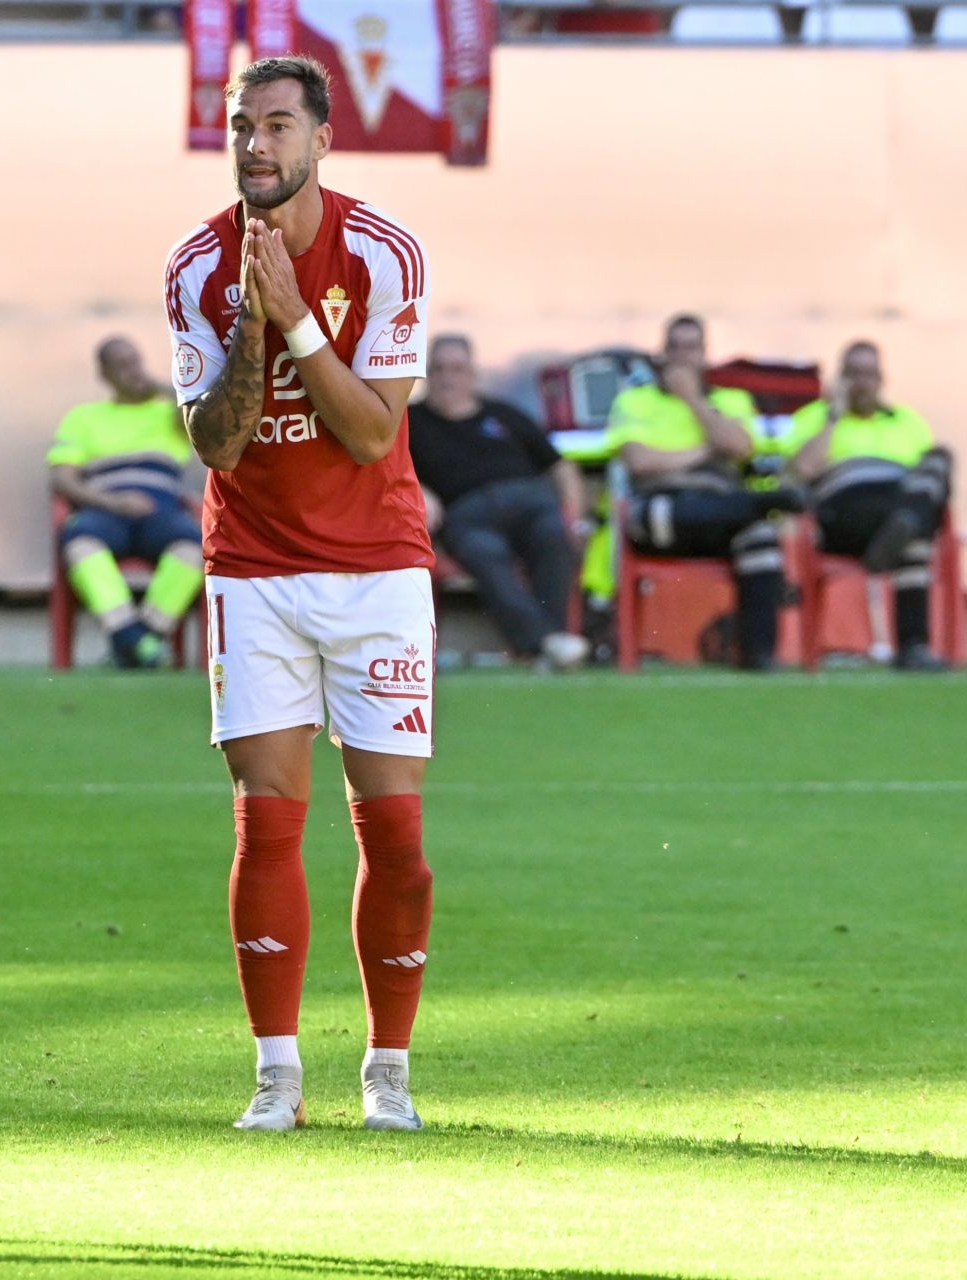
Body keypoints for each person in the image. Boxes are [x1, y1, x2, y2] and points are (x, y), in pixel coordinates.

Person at [166, 55, 437, 1134]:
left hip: (377, 568)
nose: (257, 146)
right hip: (256, 570)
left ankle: (389, 1071)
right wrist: (256, 320)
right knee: (267, 824)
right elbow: (218, 443)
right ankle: (277, 1073)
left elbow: (375, 430)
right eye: (243, 127)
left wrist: (304, 321)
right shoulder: (196, 267)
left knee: (398, 833)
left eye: (279, 125)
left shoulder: (383, 251)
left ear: (324, 139)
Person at [605, 313, 803, 670]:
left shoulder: (732, 400)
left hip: (720, 509)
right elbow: (639, 462)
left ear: (704, 355)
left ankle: (759, 655)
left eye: (691, 348)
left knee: (760, 538)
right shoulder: (635, 401)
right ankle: (761, 504)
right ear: (661, 353)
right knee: (737, 513)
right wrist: (706, 452)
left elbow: (741, 448)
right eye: (675, 348)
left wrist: (692, 400)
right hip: (661, 509)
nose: (682, 356)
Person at [409, 334, 589, 669]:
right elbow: (383, 467)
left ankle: (548, 644)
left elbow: (561, 465)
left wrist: (574, 515)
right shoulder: (410, 422)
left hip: (529, 500)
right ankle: (547, 643)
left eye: (457, 369)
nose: (448, 377)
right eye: (439, 369)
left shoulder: (504, 414)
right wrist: (419, 488)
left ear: (471, 374)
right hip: (466, 513)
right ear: (426, 373)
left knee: (554, 534)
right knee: (483, 552)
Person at [785, 340, 953, 671]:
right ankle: (912, 646)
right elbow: (802, 470)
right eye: (853, 374)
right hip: (844, 509)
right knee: (915, 530)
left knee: (938, 461)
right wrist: (834, 416)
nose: (862, 382)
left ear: (881, 379)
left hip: (897, 502)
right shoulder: (813, 418)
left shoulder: (907, 421)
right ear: (840, 378)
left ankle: (912, 648)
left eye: (869, 374)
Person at [49, 335, 204, 668]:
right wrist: (115, 503)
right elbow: (62, 478)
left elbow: (200, 415)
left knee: (196, 548)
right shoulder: (84, 417)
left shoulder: (168, 411)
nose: (132, 372)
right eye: (122, 366)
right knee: (79, 545)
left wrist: (160, 387)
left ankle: (137, 639)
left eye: (136, 362)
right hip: (105, 508)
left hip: (161, 509)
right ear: (104, 374)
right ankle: (137, 642)